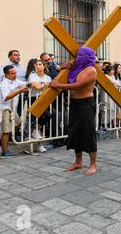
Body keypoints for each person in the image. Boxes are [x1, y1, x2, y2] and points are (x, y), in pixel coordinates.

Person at [49, 47, 98, 176]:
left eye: (82, 55)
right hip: (75, 104)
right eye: (78, 54)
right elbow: (59, 78)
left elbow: (78, 85)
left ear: (87, 57)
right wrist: (64, 68)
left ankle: (93, 164)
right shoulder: (76, 69)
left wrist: (59, 85)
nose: (79, 57)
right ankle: (78, 161)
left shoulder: (91, 70)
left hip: (86, 104)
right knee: (75, 132)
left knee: (88, 133)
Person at [0, 65, 29, 159]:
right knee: (6, 131)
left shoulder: (15, 80)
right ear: (6, 74)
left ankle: (9, 140)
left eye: (15, 73)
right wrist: (19, 91)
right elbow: (6, 97)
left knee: (18, 123)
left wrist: (33, 82)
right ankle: (4, 151)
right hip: (5, 109)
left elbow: (25, 83)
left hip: (12, 109)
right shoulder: (4, 84)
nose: (15, 75)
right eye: (13, 73)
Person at [28, 60, 52, 153]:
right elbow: (36, 87)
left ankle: (35, 131)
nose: (38, 66)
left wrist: (43, 85)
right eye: (36, 65)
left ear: (44, 67)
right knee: (35, 119)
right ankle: (40, 145)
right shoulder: (33, 75)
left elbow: (51, 87)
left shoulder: (47, 77)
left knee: (47, 116)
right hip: (34, 99)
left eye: (40, 64)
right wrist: (46, 84)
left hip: (44, 99)